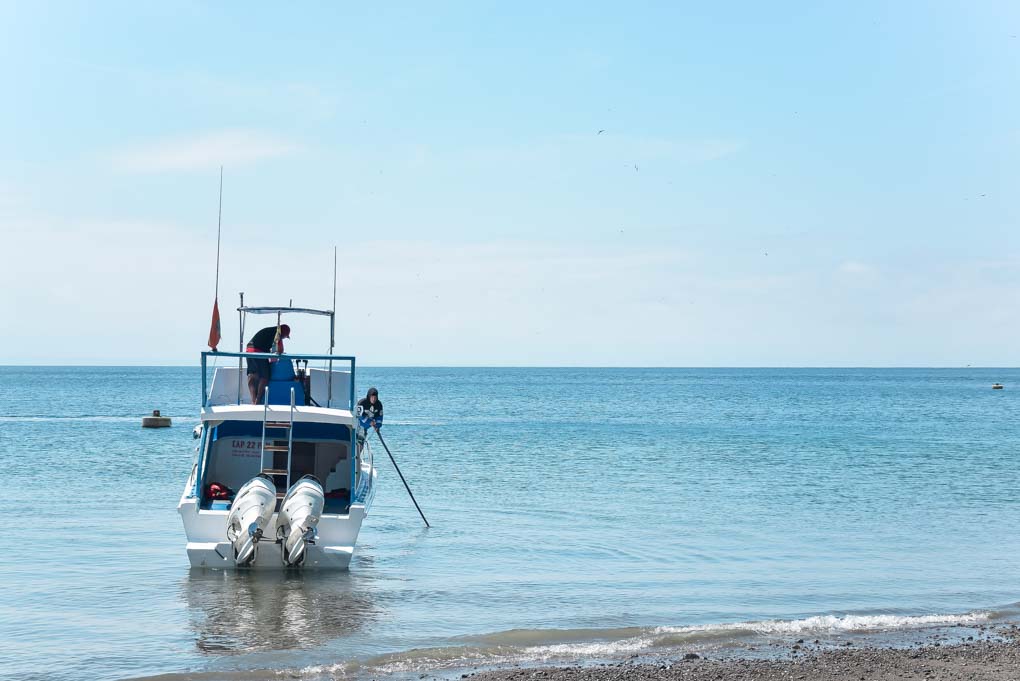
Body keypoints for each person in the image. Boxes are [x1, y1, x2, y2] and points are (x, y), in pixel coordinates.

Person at [246, 324, 290, 404]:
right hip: (258, 351)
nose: (283, 338)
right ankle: (258, 400)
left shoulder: (270, 331)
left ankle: (253, 400)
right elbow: (280, 350)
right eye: (285, 337)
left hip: (249, 349)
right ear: (284, 334)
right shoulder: (278, 333)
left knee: (252, 374)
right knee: (265, 377)